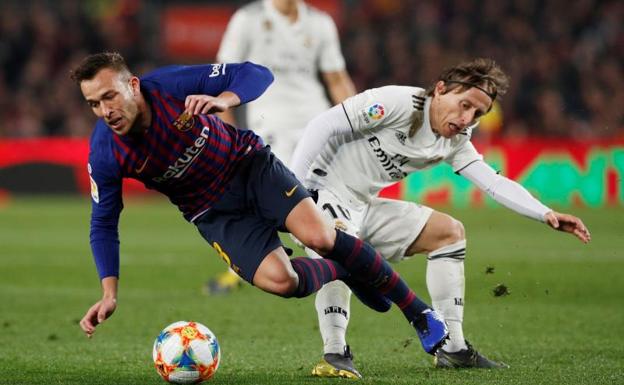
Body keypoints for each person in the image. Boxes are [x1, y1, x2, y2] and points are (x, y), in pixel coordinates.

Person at [71, 52, 449, 365]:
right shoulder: (105, 153)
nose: (105, 110)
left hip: (249, 167)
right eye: (94, 104)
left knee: (319, 236)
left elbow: (255, 73)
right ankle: (347, 269)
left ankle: (419, 313)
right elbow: (103, 222)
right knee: (282, 282)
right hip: (213, 212)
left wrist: (226, 99)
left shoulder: (169, 86)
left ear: (132, 85)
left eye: (110, 96)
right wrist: (110, 293)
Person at [289, 58, 591, 373]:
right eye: (464, 105)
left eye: (477, 114)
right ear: (441, 89)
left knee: (449, 233)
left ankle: (453, 348)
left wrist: (545, 213)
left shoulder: (455, 140)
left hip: (363, 204)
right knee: (340, 247)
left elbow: (493, 181)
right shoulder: (398, 103)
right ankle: (335, 353)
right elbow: (323, 125)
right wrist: (294, 192)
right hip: (320, 195)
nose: (467, 119)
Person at [206, 0, 357, 299]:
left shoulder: (320, 22)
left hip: (318, 122)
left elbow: (337, 79)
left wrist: (356, 121)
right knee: (289, 201)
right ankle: (338, 264)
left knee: (329, 197)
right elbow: (223, 78)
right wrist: (228, 135)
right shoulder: (247, 20)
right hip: (271, 127)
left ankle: (349, 261)